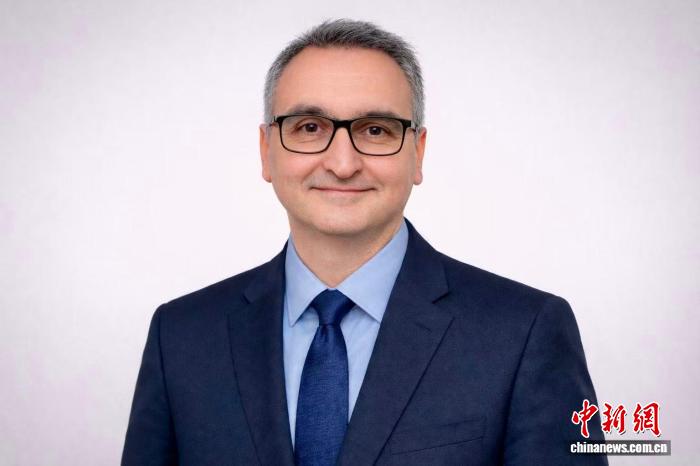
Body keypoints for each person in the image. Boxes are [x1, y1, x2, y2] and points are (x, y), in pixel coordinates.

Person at [122, 19, 607, 465]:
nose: (342, 163)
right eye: (309, 128)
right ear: (266, 151)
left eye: (375, 130)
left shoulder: (525, 333)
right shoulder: (181, 337)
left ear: (417, 152)